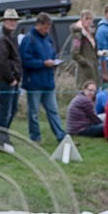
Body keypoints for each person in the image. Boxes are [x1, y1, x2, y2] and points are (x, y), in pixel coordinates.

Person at [19, 12, 66, 144]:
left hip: (48, 81)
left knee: (53, 110)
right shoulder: (28, 39)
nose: (47, 30)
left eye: (48, 28)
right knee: (33, 112)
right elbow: (25, 61)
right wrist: (42, 63)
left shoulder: (48, 39)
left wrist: (54, 62)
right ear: (38, 25)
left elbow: (52, 53)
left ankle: (61, 136)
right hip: (34, 82)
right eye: (45, 27)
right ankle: (35, 137)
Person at [0, 7, 22, 139]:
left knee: (13, 109)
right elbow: (2, 62)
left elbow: (15, 58)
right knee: (6, 110)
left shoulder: (11, 37)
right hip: (6, 79)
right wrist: (11, 78)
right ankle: (2, 137)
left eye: (14, 20)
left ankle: (5, 134)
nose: (13, 23)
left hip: (13, 78)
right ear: (4, 22)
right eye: (10, 20)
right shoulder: (2, 39)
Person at [70, 9, 99, 89]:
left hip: (94, 69)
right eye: (87, 19)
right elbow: (74, 53)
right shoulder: (79, 35)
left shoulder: (91, 34)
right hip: (84, 71)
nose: (89, 21)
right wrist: (86, 63)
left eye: (90, 19)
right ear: (81, 20)